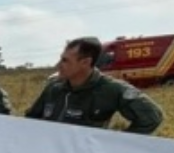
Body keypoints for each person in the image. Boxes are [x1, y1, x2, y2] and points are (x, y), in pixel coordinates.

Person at [24, 37, 164, 135]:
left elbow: (152, 118)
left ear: (85, 62)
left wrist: (119, 144)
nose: (58, 65)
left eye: (65, 61)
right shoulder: (53, 87)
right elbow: (31, 120)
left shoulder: (111, 89)